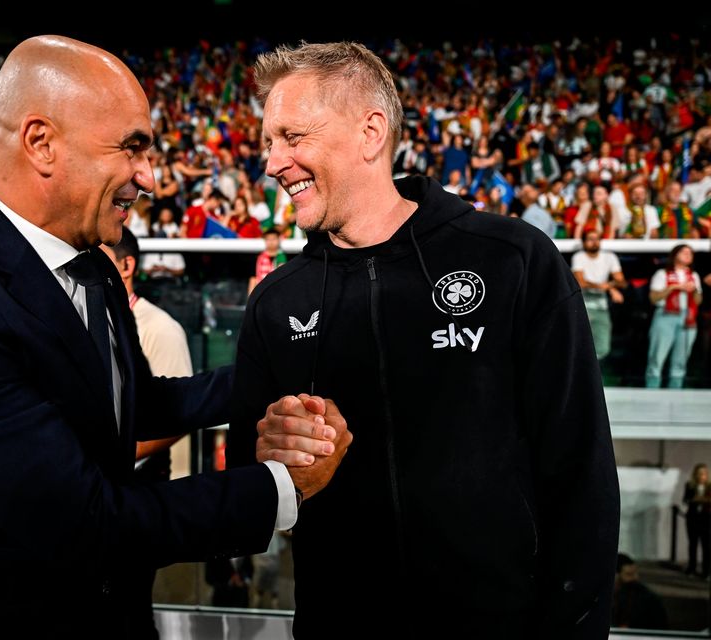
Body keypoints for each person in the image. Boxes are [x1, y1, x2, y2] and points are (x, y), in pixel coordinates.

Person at [0, 35, 351, 639]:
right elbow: (85, 521)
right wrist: (281, 487)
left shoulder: (91, 268)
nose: (150, 177)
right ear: (41, 143)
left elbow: (132, 405)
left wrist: (288, 373)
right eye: (132, 148)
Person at [227, 41, 619, 638]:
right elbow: (251, 493)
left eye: (292, 137)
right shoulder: (277, 302)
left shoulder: (512, 260)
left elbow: (580, 471)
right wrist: (271, 463)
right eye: (268, 143)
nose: (274, 162)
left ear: (371, 132)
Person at [99, 226, 193, 637]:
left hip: (139, 493)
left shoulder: (161, 327)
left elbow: (176, 417)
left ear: (127, 265)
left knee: (130, 611)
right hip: (94, 494)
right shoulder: (87, 315)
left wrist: (114, 454)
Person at [645, 244, 703, 388]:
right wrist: (673, 287)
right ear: (675, 255)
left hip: (687, 317)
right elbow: (653, 298)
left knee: (681, 360)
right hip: (666, 315)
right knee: (657, 357)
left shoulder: (694, 276)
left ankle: (676, 393)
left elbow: (698, 301)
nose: (688, 255)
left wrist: (694, 290)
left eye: (690, 253)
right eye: (684, 252)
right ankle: (651, 392)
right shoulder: (662, 274)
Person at [571, 230, 626, 361]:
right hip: (583, 306)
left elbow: (621, 282)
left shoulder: (609, 257)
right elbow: (580, 282)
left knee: (603, 347)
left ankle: (591, 374)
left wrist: (611, 287)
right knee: (579, 342)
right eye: (590, 239)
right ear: (584, 242)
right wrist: (605, 287)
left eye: (597, 239)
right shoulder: (579, 257)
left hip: (601, 306)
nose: (594, 242)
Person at [612, 554, 668, 629]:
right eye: (629, 574)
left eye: (635, 573)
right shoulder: (611, 597)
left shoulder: (647, 599)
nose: (635, 578)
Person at [683, 463, 711, 577]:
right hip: (693, 518)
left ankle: (706, 571)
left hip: (707, 519)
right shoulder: (690, 485)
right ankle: (692, 568)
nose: (702, 476)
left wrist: (703, 500)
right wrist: (695, 499)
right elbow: (686, 499)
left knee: (707, 546)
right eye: (699, 473)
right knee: (693, 544)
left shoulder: (710, 486)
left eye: (704, 473)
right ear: (695, 475)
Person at [248, 227, 287, 294]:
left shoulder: (283, 257)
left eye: (274, 239)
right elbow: (253, 279)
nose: (271, 242)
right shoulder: (258, 258)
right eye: (268, 239)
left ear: (279, 239)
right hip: (260, 293)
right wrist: (250, 297)